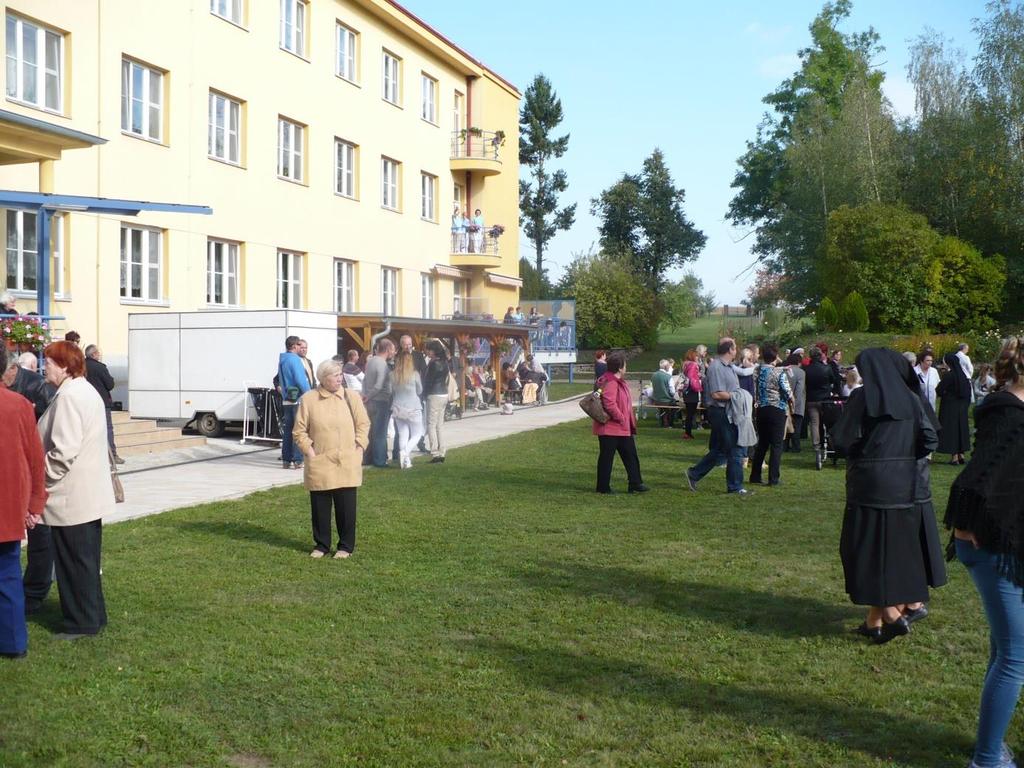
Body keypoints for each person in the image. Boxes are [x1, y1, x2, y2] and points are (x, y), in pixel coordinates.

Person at [944, 336, 1024, 768]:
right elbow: (978, 477)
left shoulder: (1008, 410)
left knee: (1005, 651)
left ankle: (990, 744)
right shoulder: (1012, 416)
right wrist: (969, 522)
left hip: (999, 540)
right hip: (991, 542)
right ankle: (988, 759)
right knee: (1015, 657)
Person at [832, 348, 945, 645]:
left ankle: (892, 616)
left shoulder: (862, 398)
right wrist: (903, 458)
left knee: (865, 552)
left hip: (868, 486)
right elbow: (931, 438)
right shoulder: (910, 399)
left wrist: (867, 453)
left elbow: (842, 440)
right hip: (903, 487)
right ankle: (875, 622)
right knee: (891, 554)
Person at [36, 340, 114, 638]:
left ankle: (81, 622)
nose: (46, 367)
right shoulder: (84, 390)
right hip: (86, 494)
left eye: (51, 362)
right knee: (86, 562)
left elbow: (63, 452)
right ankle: (93, 616)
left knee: (74, 563)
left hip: (71, 497)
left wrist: (40, 481)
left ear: (65, 366)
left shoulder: (69, 397)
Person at [293, 359, 370, 558]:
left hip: (347, 460)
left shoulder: (351, 396)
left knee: (346, 507)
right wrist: (310, 452)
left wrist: (359, 447)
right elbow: (299, 431)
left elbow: (363, 424)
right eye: (335, 375)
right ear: (323, 379)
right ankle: (321, 545)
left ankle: (345, 546)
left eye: (340, 374)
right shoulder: (309, 399)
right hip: (320, 460)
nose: (340, 378)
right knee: (320, 506)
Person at [0, 345, 46, 659]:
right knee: (8, 575)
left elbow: (32, 459)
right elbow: (35, 460)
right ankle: (14, 643)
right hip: (8, 507)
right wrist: (34, 504)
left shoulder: (19, 405)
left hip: (8, 505)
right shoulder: (18, 406)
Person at [685, 338, 749, 495]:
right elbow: (716, 393)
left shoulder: (728, 367)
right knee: (735, 448)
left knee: (721, 450)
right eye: (735, 348)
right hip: (721, 412)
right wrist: (737, 396)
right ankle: (735, 487)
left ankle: (694, 473)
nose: (737, 351)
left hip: (728, 411)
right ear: (729, 350)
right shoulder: (716, 367)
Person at [593, 352, 647, 494]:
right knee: (607, 457)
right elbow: (609, 403)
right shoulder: (611, 382)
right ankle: (603, 487)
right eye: (625, 365)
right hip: (612, 426)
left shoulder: (612, 380)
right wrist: (621, 417)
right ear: (620, 367)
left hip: (619, 427)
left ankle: (635, 482)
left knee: (630, 455)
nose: (626, 368)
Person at [749, 345, 793, 487]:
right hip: (777, 409)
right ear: (775, 357)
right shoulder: (779, 373)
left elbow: (764, 369)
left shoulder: (757, 370)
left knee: (762, 443)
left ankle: (755, 475)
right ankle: (773, 478)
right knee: (776, 445)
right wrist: (792, 401)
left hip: (761, 409)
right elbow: (787, 391)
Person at [84, 345, 124, 465]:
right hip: (102, 402)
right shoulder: (100, 367)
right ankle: (112, 455)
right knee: (107, 428)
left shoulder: (81, 366)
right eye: (98, 353)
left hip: (86, 402)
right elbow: (110, 384)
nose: (100, 355)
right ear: (94, 354)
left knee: (88, 429)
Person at [277, 336, 311, 469]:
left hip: (287, 398)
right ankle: (298, 459)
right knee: (298, 430)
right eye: (299, 345)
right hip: (297, 399)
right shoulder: (295, 360)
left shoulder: (282, 359)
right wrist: (310, 394)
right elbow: (300, 379)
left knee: (288, 431)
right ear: (295, 346)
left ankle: (286, 459)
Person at [361, 337, 394, 468]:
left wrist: (365, 395)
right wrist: (368, 396)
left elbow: (364, 380)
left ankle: (367, 458)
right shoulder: (382, 364)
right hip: (380, 400)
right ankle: (380, 460)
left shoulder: (370, 361)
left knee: (370, 431)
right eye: (392, 350)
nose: (393, 352)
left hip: (370, 402)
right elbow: (379, 385)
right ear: (387, 349)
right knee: (380, 432)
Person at [804, 346, 840, 458]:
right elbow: (834, 380)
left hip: (811, 399)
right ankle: (829, 443)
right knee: (827, 423)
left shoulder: (806, 369)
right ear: (820, 356)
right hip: (825, 399)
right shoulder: (827, 368)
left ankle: (816, 446)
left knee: (815, 424)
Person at [390, 349, 423, 469]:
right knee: (417, 434)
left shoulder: (392, 375)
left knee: (403, 434)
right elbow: (420, 390)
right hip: (413, 407)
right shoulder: (415, 374)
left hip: (398, 407)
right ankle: (405, 453)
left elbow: (391, 391)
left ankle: (406, 462)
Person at [937, 351, 972, 465]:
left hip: (950, 407)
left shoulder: (949, 375)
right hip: (961, 408)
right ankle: (961, 454)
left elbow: (939, 390)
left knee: (951, 431)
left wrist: (945, 394)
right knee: (960, 429)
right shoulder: (964, 376)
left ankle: (954, 457)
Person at [3, 350, 55, 421]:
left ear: (13, 368)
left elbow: (51, 414)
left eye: (1, 371)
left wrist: (29, 410)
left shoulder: (40, 384)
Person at [423, 339, 451, 463]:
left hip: (434, 394)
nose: (427, 352)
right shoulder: (445, 362)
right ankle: (442, 451)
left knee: (431, 424)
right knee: (440, 425)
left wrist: (423, 394)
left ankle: (434, 453)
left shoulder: (433, 364)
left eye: (428, 350)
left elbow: (428, 381)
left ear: (433, 351)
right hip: (444, 393)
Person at [784, 352, 806, 453]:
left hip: (784, 401)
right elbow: (799, 389)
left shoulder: (784, 371)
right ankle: (796, 446)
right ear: (798, 362)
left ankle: (785, 445)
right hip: (797, 403)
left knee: (786, 424)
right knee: (796, 426)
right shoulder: (801, 372)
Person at [678, 349, 702, 440]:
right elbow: (691, 379)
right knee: (691, 413)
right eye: (696, 356)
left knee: (689, 413)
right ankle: (688, 433)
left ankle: (687, 432)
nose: (697, 358)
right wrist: (698, 387)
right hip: (692, 391)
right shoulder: (693, 365)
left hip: (687, 392)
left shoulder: (685, 364)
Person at [651, 359, 678, 428]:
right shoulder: (668, 377)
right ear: (666, 366)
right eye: (668, 366)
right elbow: (672, 391)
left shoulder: (653, 375)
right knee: (675, 405)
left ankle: (663, 421)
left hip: (656, 400)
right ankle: (670, 423)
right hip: (666, 401)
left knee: (664, 408)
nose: (669, 367)